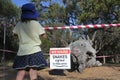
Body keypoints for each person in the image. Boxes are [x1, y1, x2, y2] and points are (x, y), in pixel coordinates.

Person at [12, 3, 47, 80]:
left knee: (21, 71)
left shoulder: (19, 24)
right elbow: (44, 36)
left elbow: (14, 35)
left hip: (22, 51)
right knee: (33, 70)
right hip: (35, 50)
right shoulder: (36, 24)